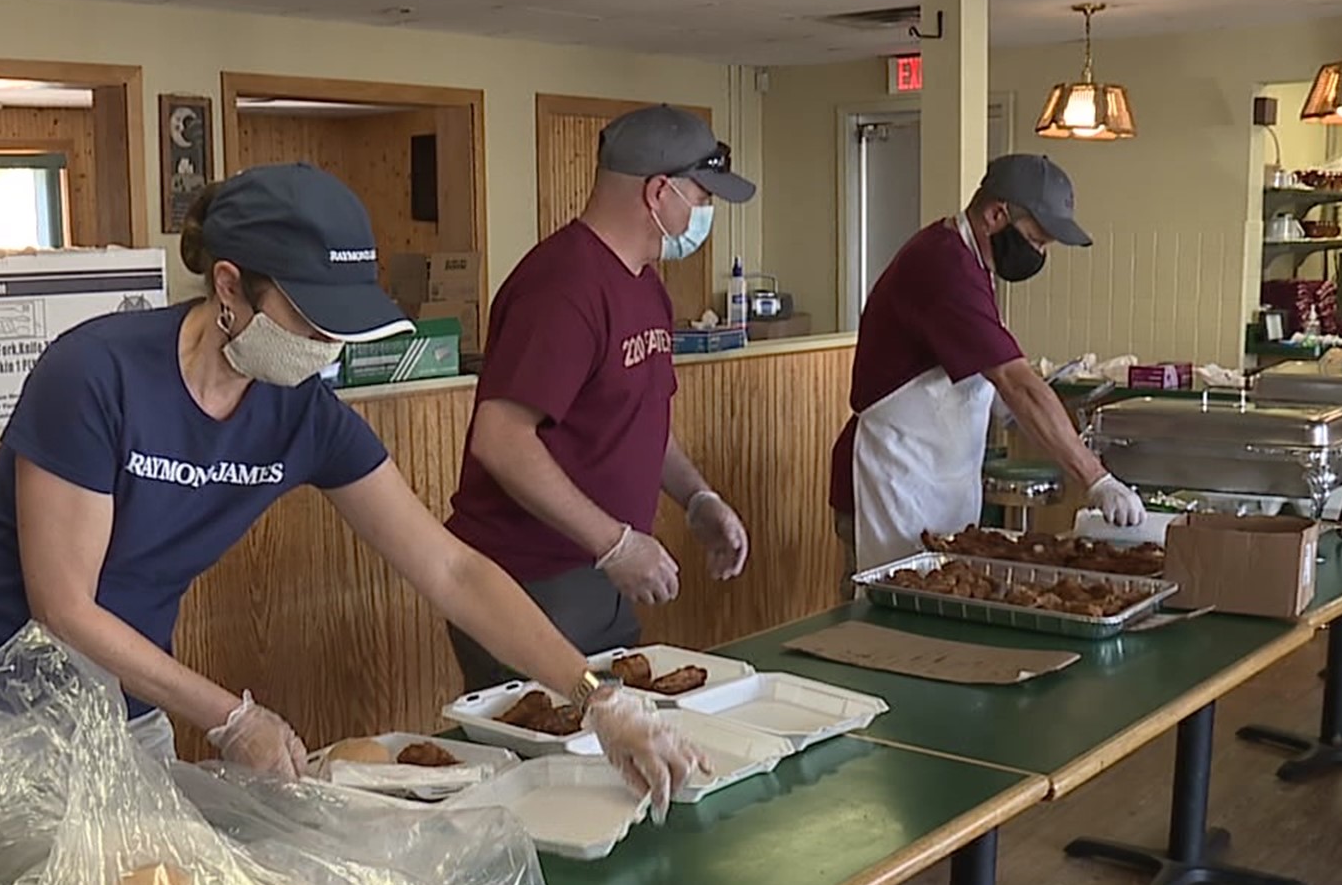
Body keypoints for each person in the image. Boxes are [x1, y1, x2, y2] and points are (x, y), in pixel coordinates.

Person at [0, 163, 702, 812]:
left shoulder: (301, 414)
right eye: (313, 325)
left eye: (343, 331)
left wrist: (597, 697)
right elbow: (64, 607)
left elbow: (450, 569)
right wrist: (230, 714)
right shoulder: (95, 375)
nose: (326, 351)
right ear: (232, 288)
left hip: (121, 701)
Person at [446, 105, 754, 691]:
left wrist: (697, 498)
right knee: (553, 767)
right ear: (659, 193)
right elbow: (501, 439)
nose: (706, 212)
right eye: (702, 194)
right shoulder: (561, 287)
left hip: (603, 573)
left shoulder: (644, 283)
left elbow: (641, 421)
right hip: (528, 582)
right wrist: (614, 543)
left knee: (617, 756)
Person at [831, 153, 1146, 580]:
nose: (1038, 254)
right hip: (894, 476)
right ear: (997, 214)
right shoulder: (944, 266)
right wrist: (1095, 479)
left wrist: (993, 403)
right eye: (1036, 240)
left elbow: (977, 369)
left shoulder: (970, 263)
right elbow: (1018, 383)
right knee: (891, 617)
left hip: (937, 478)